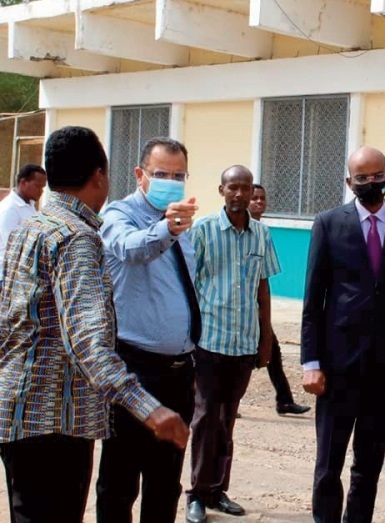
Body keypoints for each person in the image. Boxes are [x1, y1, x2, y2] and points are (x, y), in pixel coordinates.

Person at [0, 126, 188, 523]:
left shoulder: (30, 228)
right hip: (55, 420)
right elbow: (86, 343)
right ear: (101, 176)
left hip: (20, 412)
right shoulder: (77, 239)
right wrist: (150, 409)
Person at [301, 146, 385, 523]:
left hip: (384, 364)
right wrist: (311, 362)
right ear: (349, 182)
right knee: (329, 461)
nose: (372, 183)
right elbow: (313, 299)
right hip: (337, 363)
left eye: (378, 176)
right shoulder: (328, 223)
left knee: (369, 461)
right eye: (363, 178)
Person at [95, 137, 200, 523]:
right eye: (160, 174)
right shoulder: (120, 215)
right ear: (140, 175)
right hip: (134, 369)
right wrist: (168, 228)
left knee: (166, 479)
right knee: (120, 480)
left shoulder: (182, 223)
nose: (170, 182)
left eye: (178, 175)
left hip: (179, 370)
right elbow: (132, 249)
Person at [186, 165, 281, 523]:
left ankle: (217, 490)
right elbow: (189, 285)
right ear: (221, 190)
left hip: (244, 343)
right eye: (233, 188)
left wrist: (265, 339)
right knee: (205, 417)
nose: (239, 194)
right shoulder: (205, 231)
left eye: (245, 188)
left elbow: (263, 288)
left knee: (228, 421)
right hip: (210, 341)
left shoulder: (261, 234)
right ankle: (195, 492)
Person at [248, 184, 310, 416]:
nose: (259, 202)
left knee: (271, 351)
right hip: (242, 307)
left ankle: (284, 399)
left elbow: (264, 278)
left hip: (257, 305)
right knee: (244, 358)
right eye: (254, 198)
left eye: (262, 198)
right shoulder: (241, 229)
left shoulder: (261, 230)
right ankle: (223, 403)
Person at [0, 163, 47, 281]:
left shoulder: (29, 204)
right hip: (7, 277)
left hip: (21, 275)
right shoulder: (9, 209)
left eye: (43, 187)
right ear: (23, 183)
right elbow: (12, 247)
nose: (41, 191)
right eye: (37, 186)